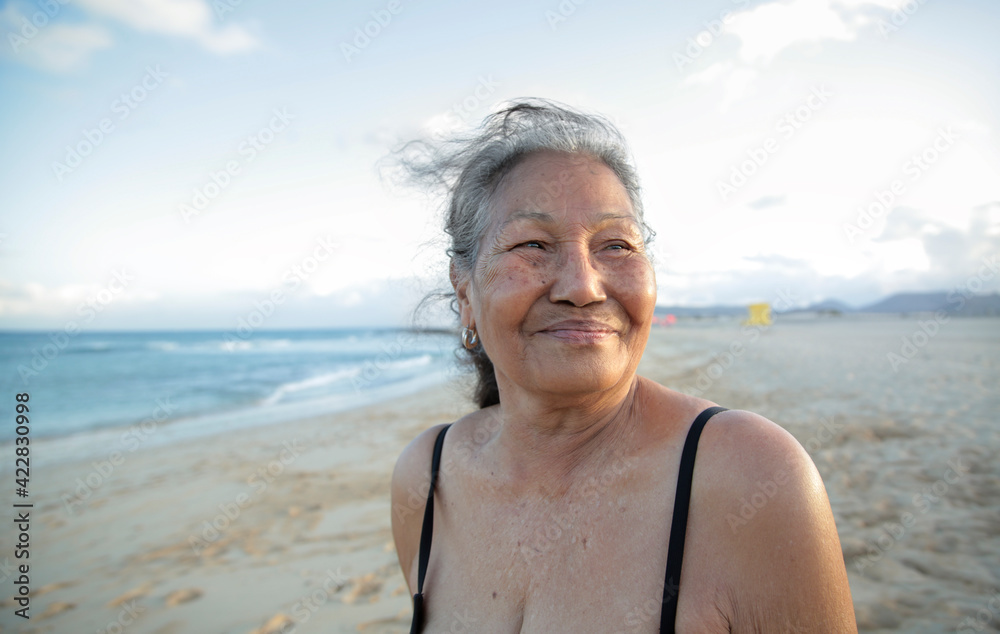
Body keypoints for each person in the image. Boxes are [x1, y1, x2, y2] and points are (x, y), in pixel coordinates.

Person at [390, 99, 856, 633]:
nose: (584, 287)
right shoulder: (426, 480)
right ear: (464, 291)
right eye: (534, 245)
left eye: (615, 244)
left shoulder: (751, 477)